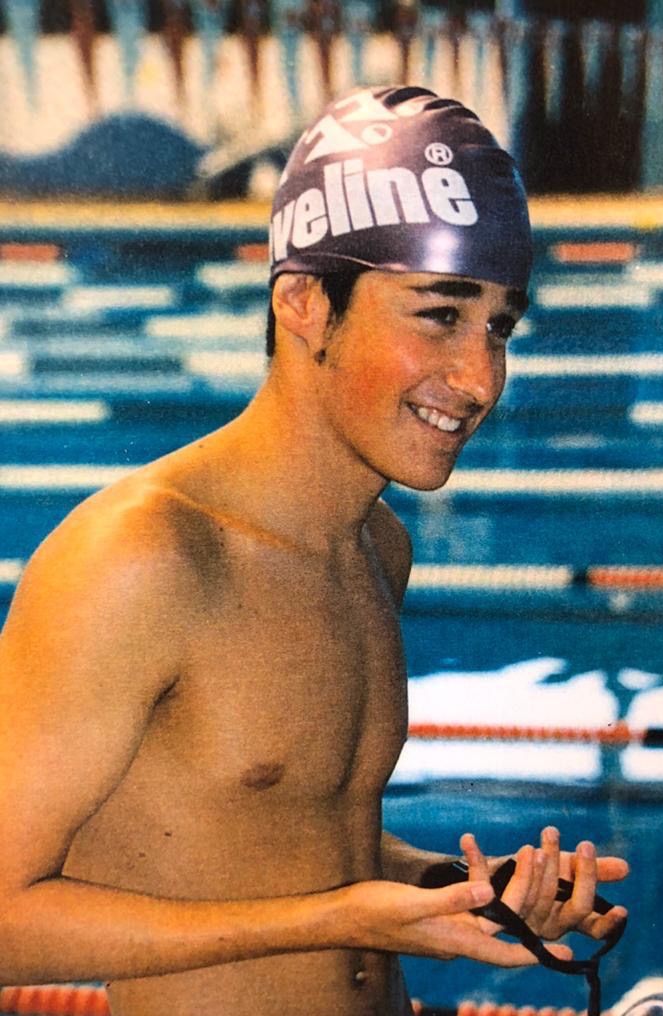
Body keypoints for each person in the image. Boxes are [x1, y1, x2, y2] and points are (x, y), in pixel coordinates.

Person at [0, 86, 628, 1016]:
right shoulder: (142, 558)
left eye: (500, 326)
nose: (480, 377)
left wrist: (446, 888)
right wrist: (337, 920)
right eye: (438, 314)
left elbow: (276, 826)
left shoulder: (378, 545)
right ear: (302, 301)